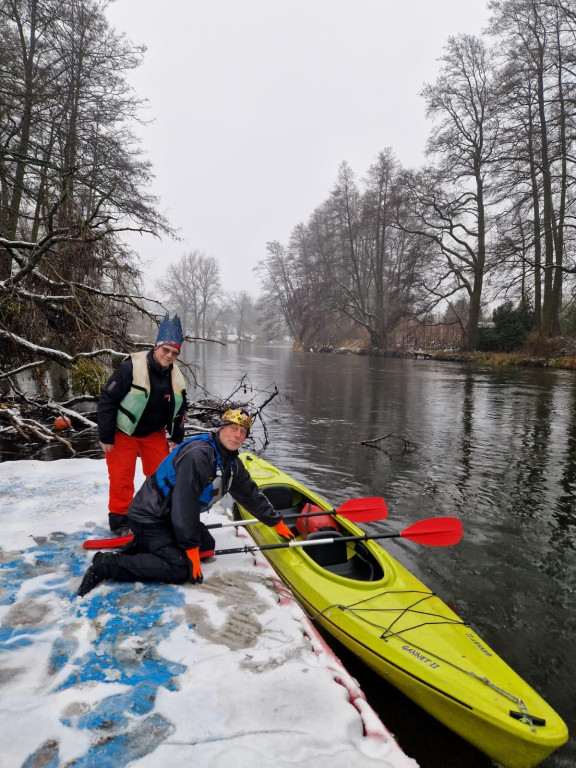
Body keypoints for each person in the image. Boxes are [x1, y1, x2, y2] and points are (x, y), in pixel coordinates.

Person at [77, 408, 294, 596]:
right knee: (181, 568)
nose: (237, 436)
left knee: (207, 546)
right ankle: (107, 565)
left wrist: (275, 521)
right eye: (232, 429)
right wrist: (189, 547)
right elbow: (184, 503)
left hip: (170, 516)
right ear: (221, 429)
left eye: (242, 432)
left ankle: (143, 545)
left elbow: (249, 493)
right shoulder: (199, 456)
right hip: (151, 516)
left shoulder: (231, 462)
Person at [97, 312, 188, 535]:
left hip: (154, 434)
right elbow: (107, 399)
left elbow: (181, 410)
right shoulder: (131, 366)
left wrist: (177, 437)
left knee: (162, 475)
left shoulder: (176, 376)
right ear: (156, 347)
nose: (169, 356)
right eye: (165, 350)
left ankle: (158, 513)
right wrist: (105, 435)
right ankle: (119, 521)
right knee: (121, 477)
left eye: (174, 353)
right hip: (123, 431)